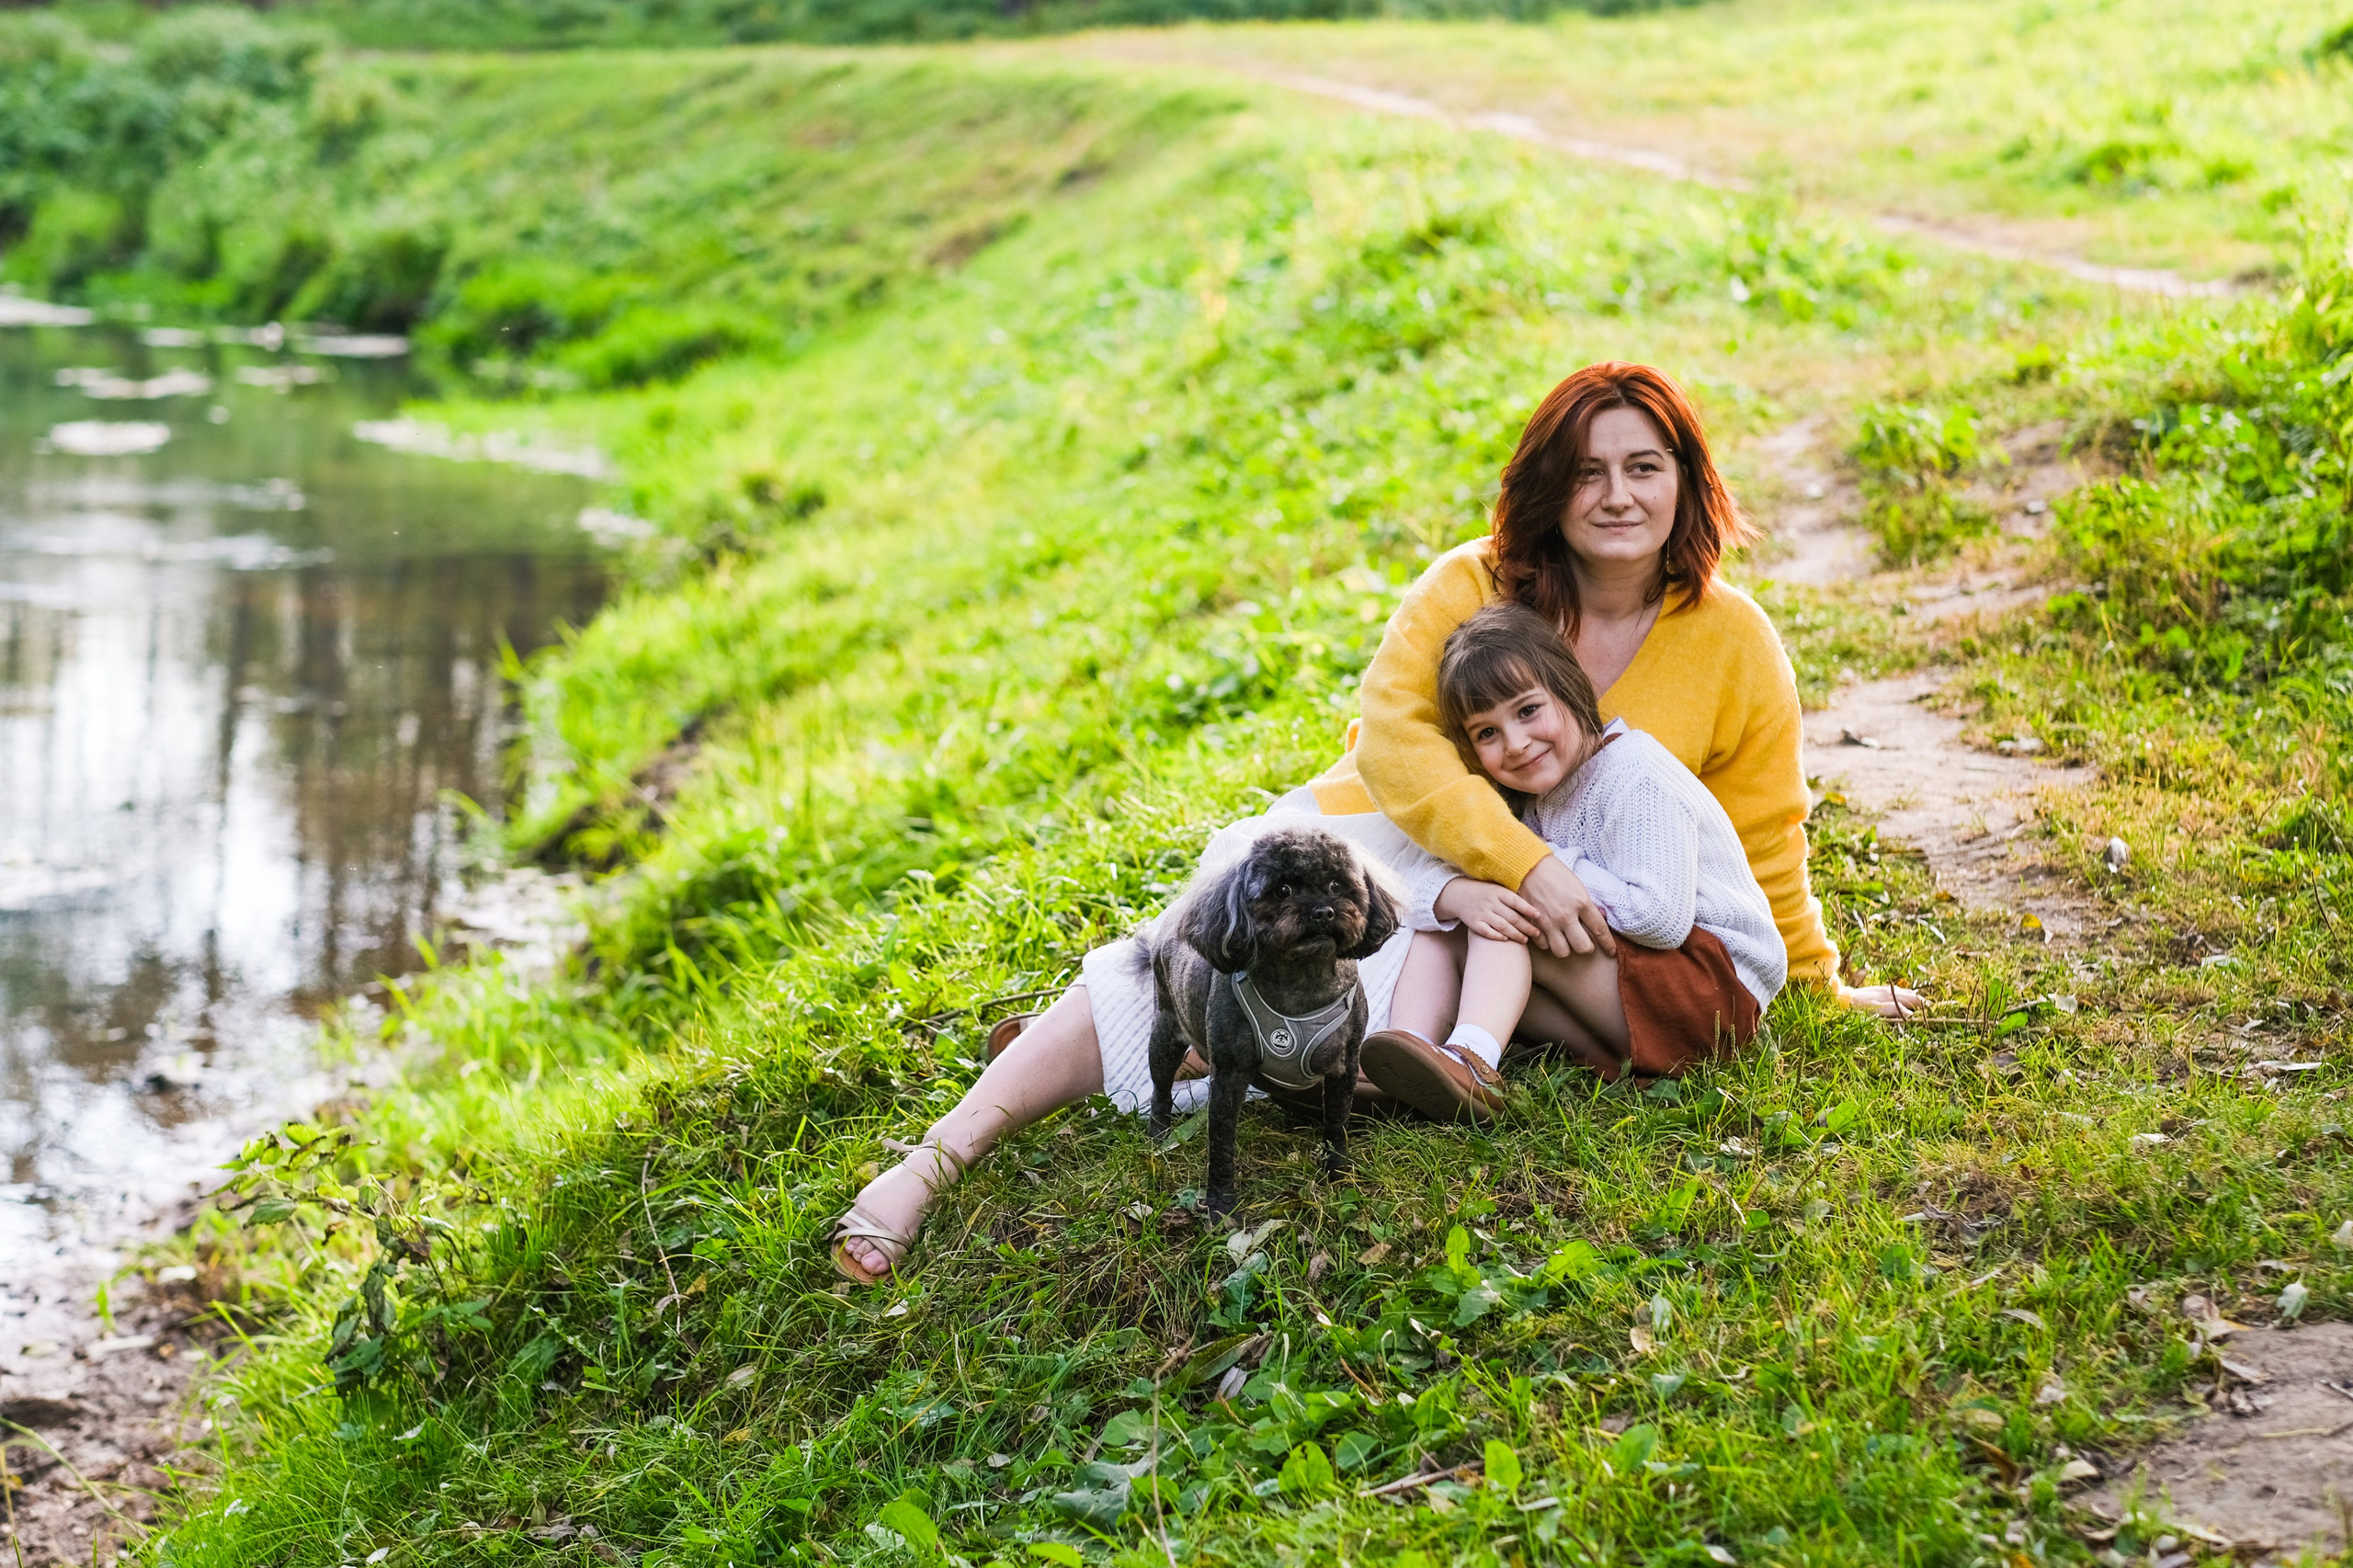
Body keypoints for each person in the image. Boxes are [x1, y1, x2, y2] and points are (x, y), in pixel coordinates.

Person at [829, 360, 1920, 1284]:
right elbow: (1396, 746)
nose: (1617, 495)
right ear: (1547, 484)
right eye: (1586, 470)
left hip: (1575, 914)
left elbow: (1762, 825)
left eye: (1645, 466)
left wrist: (1819, 978)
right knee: (1230, 916)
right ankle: (937, 1155)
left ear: (1689, 482)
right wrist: (1511, 866)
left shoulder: (1732, 638)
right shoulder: (1471, 582)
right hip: (1411, 844)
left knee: (1352, 984)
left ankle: (1257, 1057)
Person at [1359, 600, 1785, 1119]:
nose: (1515, 743)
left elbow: (1661, 920)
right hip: (1631, 1012)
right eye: (1487, 733)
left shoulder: (1635, 775)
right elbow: (1425, 888)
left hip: (1712, 994)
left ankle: (1472, 1062)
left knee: (1510, 910)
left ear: (1569, 688)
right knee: (1465, 915)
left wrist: (1541, 870)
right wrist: (1459, 895)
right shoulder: (1529, 798)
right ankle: (1397, 1062)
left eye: (1527, 710)